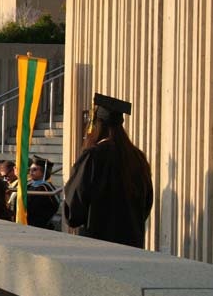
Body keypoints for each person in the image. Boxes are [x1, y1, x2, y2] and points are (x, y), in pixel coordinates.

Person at [63, 93, 153, 248]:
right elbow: (146, 204)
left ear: (97, 125)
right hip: (132, 247)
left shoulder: (92, 156)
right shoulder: (138, 158)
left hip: (97, 246)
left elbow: (74, 212)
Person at [26, 156, 60, 229]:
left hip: (39, 225)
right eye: (30, 169)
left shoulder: (46, 187)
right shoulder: (29, 184)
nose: (31, 172)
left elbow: (55, 205)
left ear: (44, 172)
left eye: (34, 169)